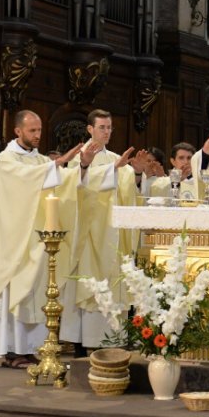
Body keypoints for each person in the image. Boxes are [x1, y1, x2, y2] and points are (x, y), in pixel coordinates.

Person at [0, 110, 93, 365]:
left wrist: (83, 165)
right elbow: (24, 181)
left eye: (39, 130)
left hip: (39, 239)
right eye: (32, 130)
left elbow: (64, 182)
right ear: (17, 131)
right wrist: (56, 164)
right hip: (15, 241)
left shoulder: (40, 160)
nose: (37, 135)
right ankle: (11, 350)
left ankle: (31, 348)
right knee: (17, 292)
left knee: (38, 291)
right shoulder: (7, 159)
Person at [60, 110, 145, 353]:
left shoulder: (116, 159)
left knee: (112, 284)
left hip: (114, 235)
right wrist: (107, 170)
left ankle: (112, 342)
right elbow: (75, 184)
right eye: (102, 127)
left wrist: (136, 173)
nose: (106, 132)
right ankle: (82, 342)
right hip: (89, 235)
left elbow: (129, 190)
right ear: (90, 129)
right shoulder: (80, 157)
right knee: (90, 286)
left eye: (109, 128)